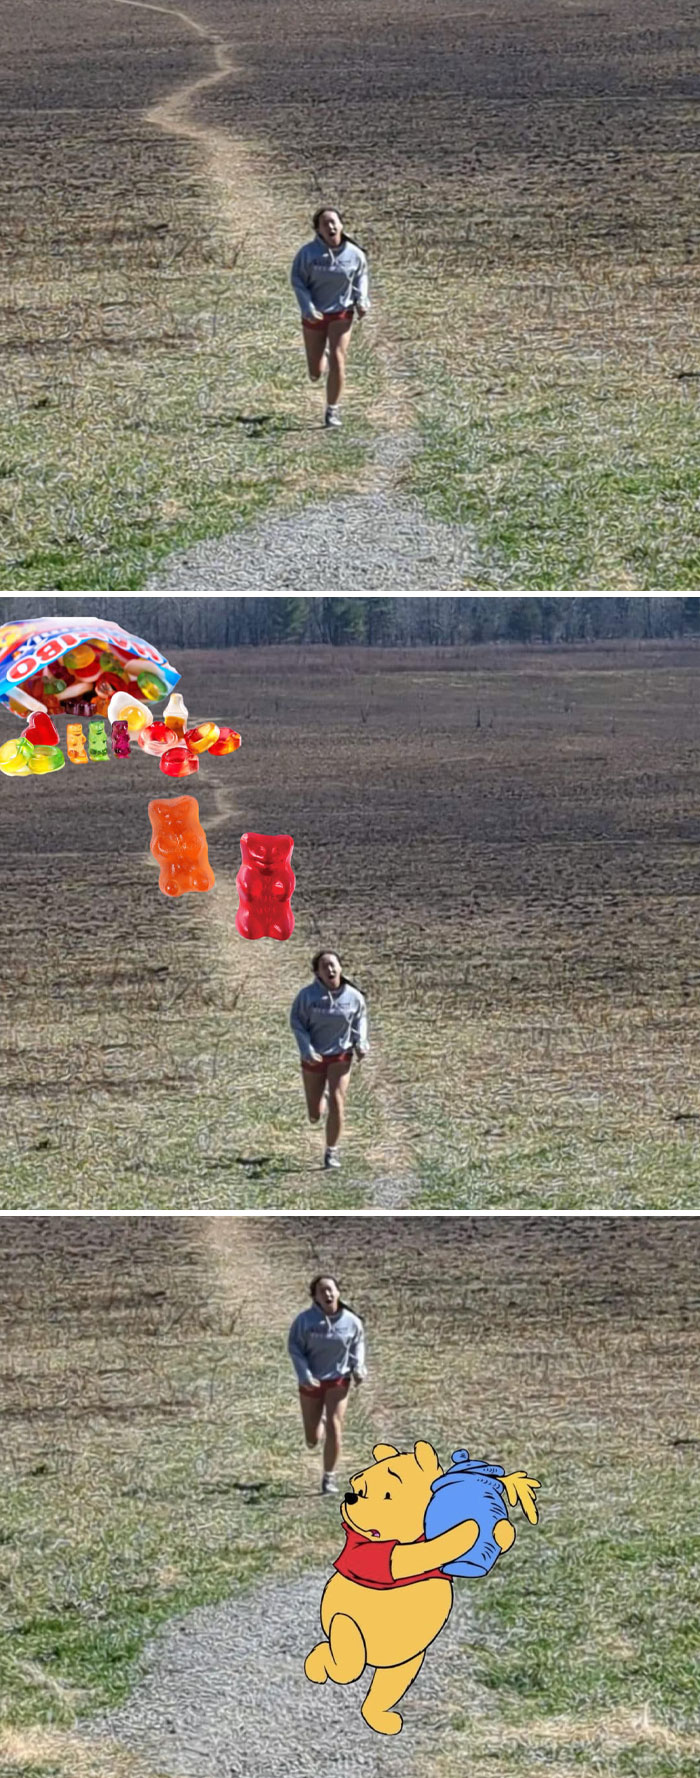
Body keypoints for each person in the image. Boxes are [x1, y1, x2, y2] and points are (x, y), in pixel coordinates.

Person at [290, 206, 370, 429]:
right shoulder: (308, 254)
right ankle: (321, 355)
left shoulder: (355, 254)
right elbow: (297, 280)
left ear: (342, 225)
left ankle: (332, 411)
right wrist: (307, 306)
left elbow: (361, 278)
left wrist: (362, 301)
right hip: (314, 315)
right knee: (315, 373)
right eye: (325, 224)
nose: (331, 227)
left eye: (334, 222)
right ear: (318, 230)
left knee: (338, 358)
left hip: (342, 312)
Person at [290, 950, 369, 1170]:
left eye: (333, 965)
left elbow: (360, 1020)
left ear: (341, 968)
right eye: (324, 967)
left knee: (337, 1101)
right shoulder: (307, 996)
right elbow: (297, 1022)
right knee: (315, 1115)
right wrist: (306, 1048)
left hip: (341, 1055)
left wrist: (361, 1043)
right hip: (314, 1056)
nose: (330, 970)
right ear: (317, 973)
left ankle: (331, 1152)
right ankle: (321, 1096)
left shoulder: (354, 997)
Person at [288, 1274, 366, 1494]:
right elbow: (295, 1348)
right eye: (322, 1291)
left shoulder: (352, 1321)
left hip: (338, 1379)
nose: (328, 1294)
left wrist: (359, 1367)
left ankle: (329, 1478)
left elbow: (358, 1345)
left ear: (338, 1292)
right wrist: (304, 1374)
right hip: (311, 1381)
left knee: (335, 1424)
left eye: (331, 1289)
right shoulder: (304, 1321)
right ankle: (317, 1423)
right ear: (315, 1297)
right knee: (312, 1438)